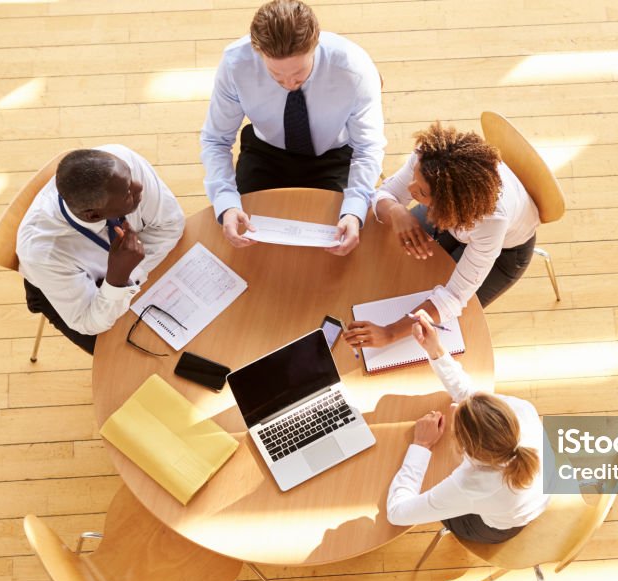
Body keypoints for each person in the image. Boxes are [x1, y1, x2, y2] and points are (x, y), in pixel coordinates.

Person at [200, 0, 385, 255]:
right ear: (257, 50)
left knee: (336, 247)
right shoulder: (235, 64)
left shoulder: (354, 68)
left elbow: (367, 148)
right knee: (248, 249)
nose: (288, 83)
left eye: (299, 73)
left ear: (315, 44)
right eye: (276, 75)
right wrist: (226, 202)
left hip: (333, 156)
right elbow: (215, 140)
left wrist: (354, 210)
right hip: (266, 152)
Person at [343, 122, 539, 350]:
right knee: (394, 270)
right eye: (415, 178)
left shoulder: (492, 220)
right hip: (451, 219)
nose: (410, 190)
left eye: (421, 192)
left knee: (445, 328)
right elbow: (386, 193)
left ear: (448, 203)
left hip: (505, 253)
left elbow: (453, 298)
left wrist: (389, 333)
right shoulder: (427, 159)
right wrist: (397, 211)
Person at [386, 311, 550, 543]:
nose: (454, 407)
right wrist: (436, 350)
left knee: (438, 493)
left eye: (456, 425)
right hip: (535, 495)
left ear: (466, 452)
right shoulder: (520, 410)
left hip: (500, 526)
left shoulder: (471, 485)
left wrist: (421, 445)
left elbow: (397, 513)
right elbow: (470, 395)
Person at [16, 146, 185, 354]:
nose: (139, 186)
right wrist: (117, 279)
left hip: (125, 271)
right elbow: (86, 321)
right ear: (93, 216)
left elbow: (171, 224)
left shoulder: (121, 163)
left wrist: (131, 273)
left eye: (131, 179)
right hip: (64, 289)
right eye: (127, 195)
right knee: (135, 358)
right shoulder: (43, 253)